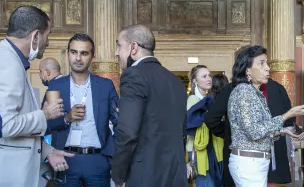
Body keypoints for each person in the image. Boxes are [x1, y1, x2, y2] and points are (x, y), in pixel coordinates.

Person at [0, 6, 73, 186]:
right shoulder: (6, 63)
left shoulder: (8, 59)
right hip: (4, 175)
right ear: (35, 36)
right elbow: (5, 125)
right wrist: (46, 114)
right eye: (47, 35)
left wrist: (47, 150)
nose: (48, 42)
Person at [227, 45, 304, 187]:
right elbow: (254, 132)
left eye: (266, 63)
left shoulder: (255, 93)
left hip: (255, 162)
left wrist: (282, 131)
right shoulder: (243, 91)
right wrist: (286, 115)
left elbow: (259, 128)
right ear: (247, 69)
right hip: (249, 164)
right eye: (261, 63)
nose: (268, 68)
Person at [111, 24, 187, 187]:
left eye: (118, 45)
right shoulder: (175, 81)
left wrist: (118, 176)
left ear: (133, 47)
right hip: (176, 173)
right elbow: (181, 132)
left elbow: (127, 133)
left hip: (145, 174)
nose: (116, 52)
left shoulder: (133, 75)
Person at [43, 34, 119, 187]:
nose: (78, 58)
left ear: (93, 57)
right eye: (74, 52)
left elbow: (119, 122)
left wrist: (112, 154)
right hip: (65, 159)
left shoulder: (105, 86)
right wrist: (66, 118)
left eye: (84, 53)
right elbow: (44, 125)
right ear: (68, 54)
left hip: (98, 160)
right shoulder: (56, 86)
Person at [185, 65, 217, 187]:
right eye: (204, 76)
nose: (209, 78)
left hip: (206, 148)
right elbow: (190, 125)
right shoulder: (193, 99)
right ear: (194, 81)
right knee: (205, 182)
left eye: (210, 75)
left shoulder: (207, 99)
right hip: (197, 150)